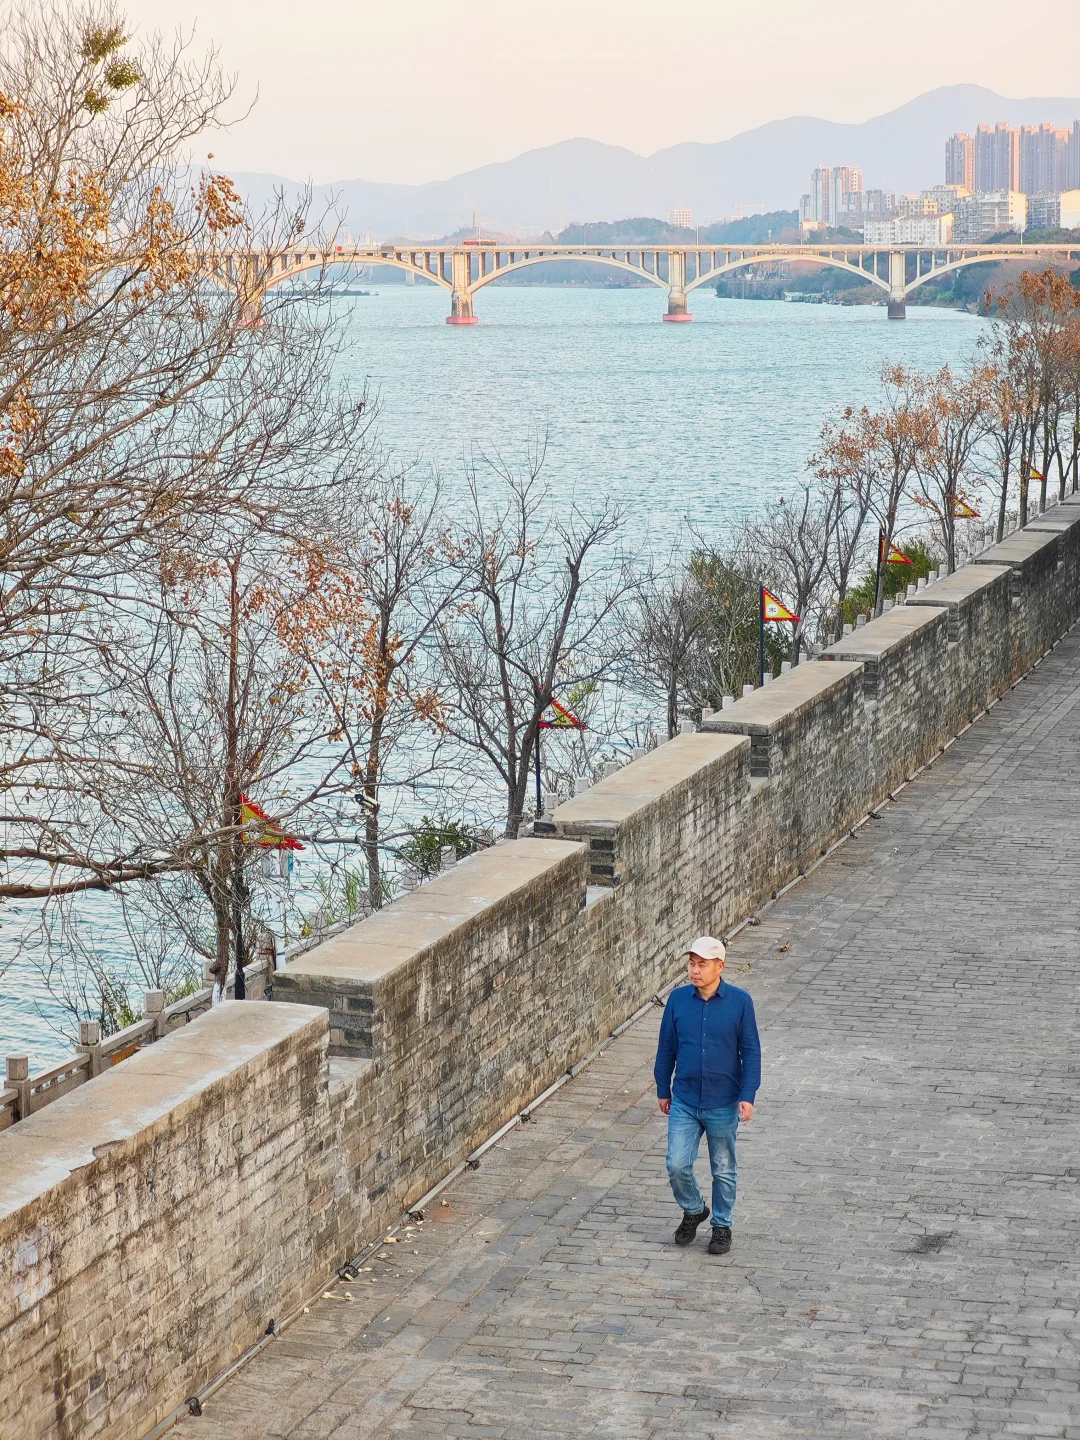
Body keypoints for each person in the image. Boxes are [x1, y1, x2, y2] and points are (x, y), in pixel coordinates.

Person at [654, 936, 761, 1255]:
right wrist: (663, 1087)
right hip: (685, 1099)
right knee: (676, 1164)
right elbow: (666, 1048)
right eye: (691, 964)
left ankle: (722, 1226)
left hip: (724, 1101)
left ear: (719, 967)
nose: (695, 970)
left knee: (723, 1167)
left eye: (702, 965)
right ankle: (694, 1209)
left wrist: (748, 1094)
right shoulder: (677, 1000)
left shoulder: (740, 1002)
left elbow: (751, 1051)